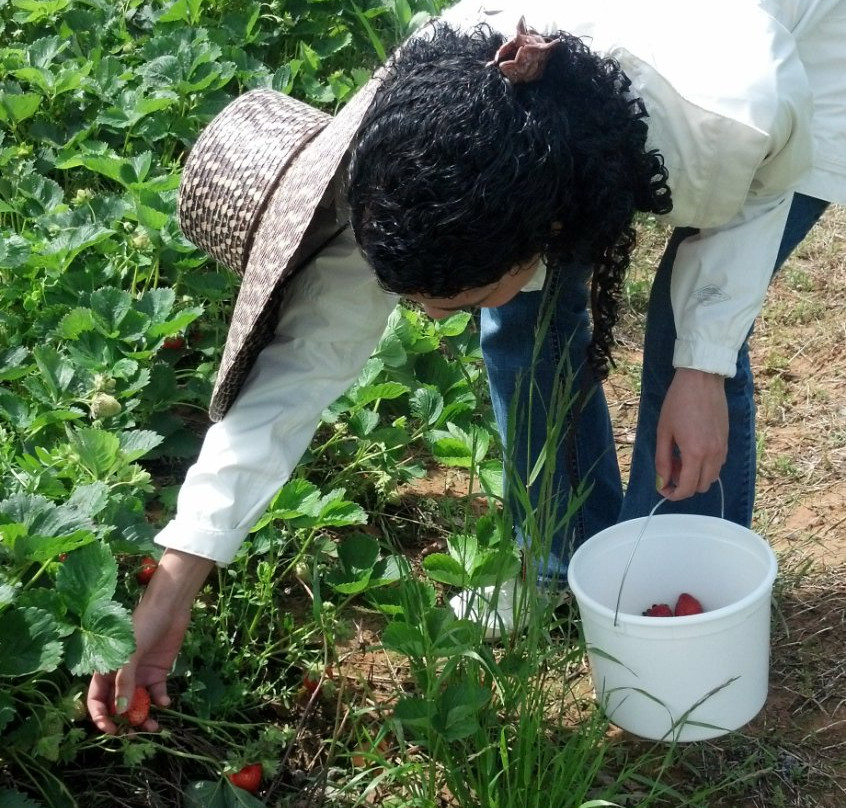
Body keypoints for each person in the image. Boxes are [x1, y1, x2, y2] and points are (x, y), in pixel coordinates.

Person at [88, 0, 845, 732]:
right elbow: (298, 370)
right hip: (613, 97)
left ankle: (690, 612)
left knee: (686, 331)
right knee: (517, 315)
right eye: (422, 304)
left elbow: (761, 181)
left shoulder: (728, 113)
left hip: (799, 58)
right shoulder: (400, 162)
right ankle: (561, 562)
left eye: (453, 298)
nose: (436, 318)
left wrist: (704, 364)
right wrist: (180, 571)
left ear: (546, 227)